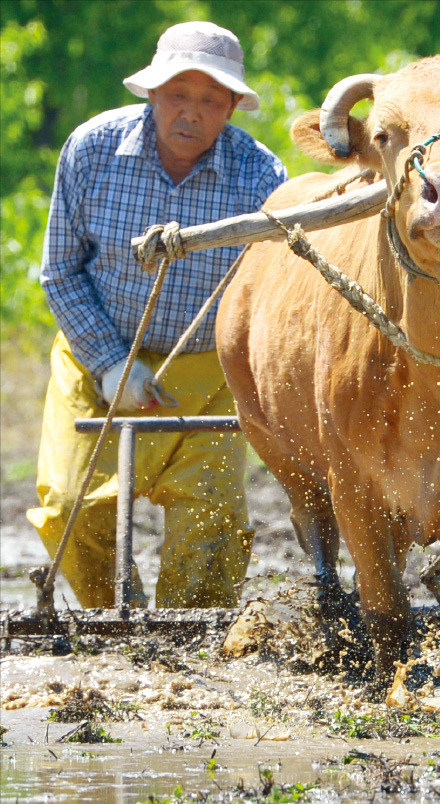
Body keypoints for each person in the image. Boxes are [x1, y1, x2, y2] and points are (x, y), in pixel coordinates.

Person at [26, 21, 288, 609]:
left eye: (209, 100)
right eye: (178, 95)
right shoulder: (91, 151)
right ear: (151, 92)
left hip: (208, 371)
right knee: (73, 506)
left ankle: (186, 641)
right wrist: (110, 364)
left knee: (212, 520)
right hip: (95, 354)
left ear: (231, 108)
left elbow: (275, 293)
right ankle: (109, 609)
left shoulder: (263, 178)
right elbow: (60, 273)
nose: (190, 113)